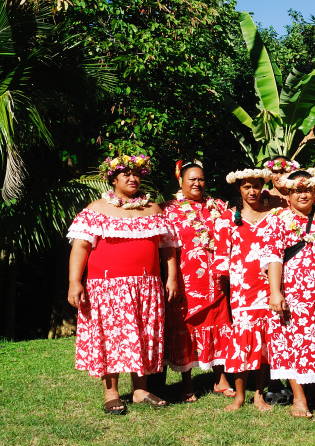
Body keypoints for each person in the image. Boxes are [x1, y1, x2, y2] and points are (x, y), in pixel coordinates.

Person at [67, 153, 177, 415]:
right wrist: (74, 282)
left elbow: (167, 248)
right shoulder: (96, 210)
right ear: (113, 178)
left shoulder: (152, 209)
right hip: (107, 288)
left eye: (137, 174)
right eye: (126, 174)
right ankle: (111, 393)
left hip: (146, 286)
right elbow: (80, 247)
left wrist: (171, 277)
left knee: (144, 334)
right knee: (110, 337)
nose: (132, 178)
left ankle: (140, 389)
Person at [218, 167, 291, 412]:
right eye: (246, 187)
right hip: (242, 289)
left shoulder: (274, 216)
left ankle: (259, 395)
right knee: (243, 340)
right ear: (239, 189)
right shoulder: (227, 219)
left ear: (263, 188)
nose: (252, 191)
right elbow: (222, 261)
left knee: (264, 343)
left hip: (269, 287)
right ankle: (239, 396)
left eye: (256, 186)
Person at [267, 170, 315, 418]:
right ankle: (299, 398)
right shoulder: (278, 220)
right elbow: (274, 258)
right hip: (294, 297)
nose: (303, 195)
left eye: (307, 190)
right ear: (288, 193)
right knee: (294, 344)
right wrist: (276, 292)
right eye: (298, 190)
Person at [162, 161, 234, 401]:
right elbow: (166, 247)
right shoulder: (168, 210)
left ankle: (220, 378)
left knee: (219, 322)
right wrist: (170, 277)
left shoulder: (219, 206)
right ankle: (186, 380)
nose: (197, 183)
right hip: (184, 280)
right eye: (191, 179)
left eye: (201, 179)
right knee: (186, 327)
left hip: (216, 279)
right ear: (180, 181)